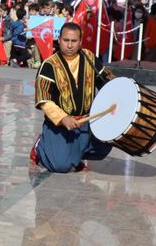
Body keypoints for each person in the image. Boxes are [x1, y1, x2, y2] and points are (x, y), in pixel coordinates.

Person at [29, 22, 113, 172]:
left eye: (74, 41)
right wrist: (63, 118)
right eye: (66, 40)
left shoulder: (89, 58)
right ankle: (41, 146)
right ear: (59, 40)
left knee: (106, 145)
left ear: (80, 42)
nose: (69, 45)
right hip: (59, 125)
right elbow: (44, 99)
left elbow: (107, 81)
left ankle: (74, 153)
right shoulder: (49, 65)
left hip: (86, 121)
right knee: (60, 166)